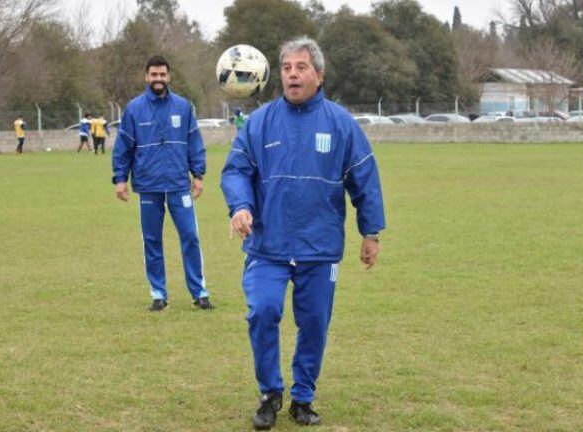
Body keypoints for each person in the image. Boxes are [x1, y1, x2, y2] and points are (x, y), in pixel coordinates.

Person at [221, 37, 385, 430]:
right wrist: (240, 206)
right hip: (267, 245)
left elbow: (364, 176)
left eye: (301, 67)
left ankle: (303, 397)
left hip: (319, 246)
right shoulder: (260, 123)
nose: (292, 74)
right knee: (263, 311)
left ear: (319, 74)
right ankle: (269, 393)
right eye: (287, 68)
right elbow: (235, 171)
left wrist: (371, 231)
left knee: (313, 322)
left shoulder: (340, 123)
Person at [112, 55, 213, 312]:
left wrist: (198, 175)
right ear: (146, 77)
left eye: (162, 75)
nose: (158, 79)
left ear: (169, 77)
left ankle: (199, 292)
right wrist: (120, 179)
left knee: (190, 236)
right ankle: (159, 294)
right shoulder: (134, 109)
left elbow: (194, 142)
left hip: (179, 183)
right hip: (148, 185)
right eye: (153, 75)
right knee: (152, 240)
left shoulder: (183, 106)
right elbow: (123, 146)